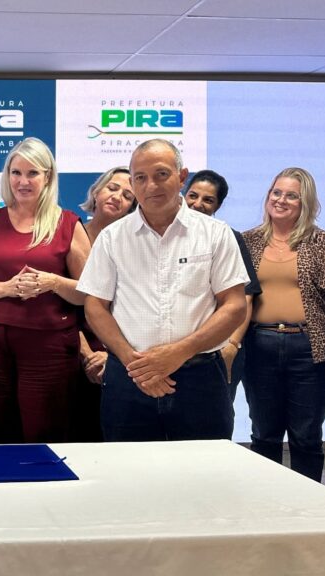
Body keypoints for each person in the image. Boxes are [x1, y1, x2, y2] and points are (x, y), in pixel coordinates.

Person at [78, 139, 248, 442]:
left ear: (181, 177)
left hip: (200, 378)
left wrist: (177, 353)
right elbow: (94, 307)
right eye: (140, 178)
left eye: (161, 174)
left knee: (206, 476)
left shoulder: (215, 234)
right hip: (129, 378)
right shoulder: (112, 238)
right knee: (131, 476)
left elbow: (234, 306)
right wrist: (137, 365)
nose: (150, 185)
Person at [0, 137, 90, 444]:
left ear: (48, 177)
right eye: (16, 173)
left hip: (49, 344)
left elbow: (89, 291)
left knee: (46, 433)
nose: (23, 181)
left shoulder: (67, 223)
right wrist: (6, 288)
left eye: (32, 173)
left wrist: (52, 282)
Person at [242, 167, 325, 481]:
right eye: (277, 193)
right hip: (258, 345)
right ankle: (268, 508)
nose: (282, 200)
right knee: (264, 434)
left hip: (310, 348)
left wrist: (314, 318)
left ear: (305, 203)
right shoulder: (246, 241)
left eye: (292, 195)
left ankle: (309, 513)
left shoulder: (324, 242)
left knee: (306, 435)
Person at [183, 169, 262, 401]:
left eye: (208, 200)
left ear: (218, 206)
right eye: (193, 196)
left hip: (219, 350)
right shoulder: (163, 234)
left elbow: (245, 297)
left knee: (213, 418)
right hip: (173, 349)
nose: (198, 204)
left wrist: (232, 346)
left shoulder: (228, 236)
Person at [71, 166, 136, 442]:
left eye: (128, 195)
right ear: (96, 192)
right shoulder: (68, 237)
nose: (117, 196)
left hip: (123, 357)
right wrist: (87, 355)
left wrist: (114, 356)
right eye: (112, 188)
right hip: (73, 351)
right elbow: (62, 308)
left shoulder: (136, 246)